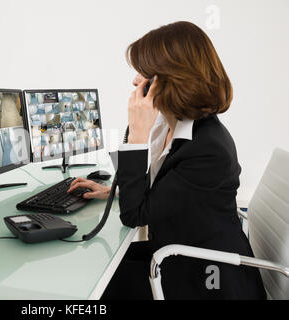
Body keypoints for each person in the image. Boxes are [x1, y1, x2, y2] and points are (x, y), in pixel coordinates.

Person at [67, 21, 266, 300]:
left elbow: (135, 216)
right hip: (175, 250)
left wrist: (137, 134)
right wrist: (112, 191)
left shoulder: (209, 149)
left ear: (171, 79)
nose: (136, 81)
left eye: (144, 73)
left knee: (89, 292)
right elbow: (168, 191)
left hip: (206, 277)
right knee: (88, 268)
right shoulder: (173, 124)